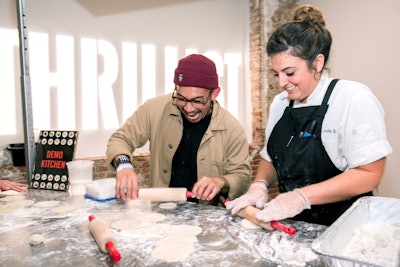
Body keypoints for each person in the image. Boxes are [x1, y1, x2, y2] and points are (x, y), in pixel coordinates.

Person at [226, 5, 392, 225]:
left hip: (343, 226)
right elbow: (270, 157)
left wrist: (302, 197)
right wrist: (260, 184)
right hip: (294, 225)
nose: (281, 83)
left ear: (317, 62)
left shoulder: (352, 98)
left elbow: (370, 173)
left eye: (290, 73)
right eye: (276, 73)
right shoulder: (280, 104)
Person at [106, 54, 252, 205]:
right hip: (161, 214)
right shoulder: (154, 109)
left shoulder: (232, 129)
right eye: (181, 98)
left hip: (207, 220)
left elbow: (242, 176)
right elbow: (120, 139)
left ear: (214, 93)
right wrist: (123, 164)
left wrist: (221, 181)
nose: (189, 108)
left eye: (198, 101)